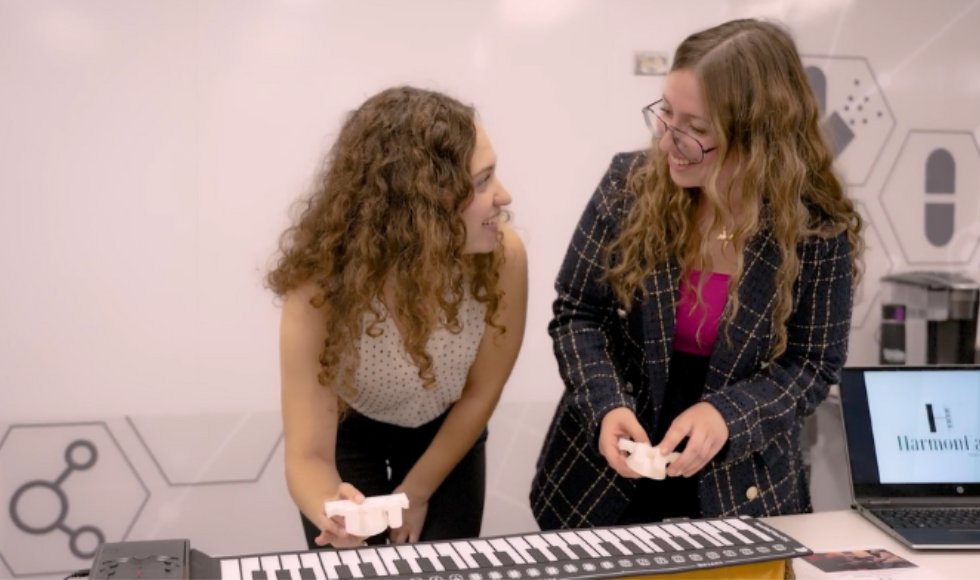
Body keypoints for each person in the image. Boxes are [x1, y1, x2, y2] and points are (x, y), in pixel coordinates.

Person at [530, 18, 864, 530]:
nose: (667, 143)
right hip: (602, 488)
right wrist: (606, 405)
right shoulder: (630, 185)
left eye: (697, 129)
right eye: (666, 113)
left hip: (741, 494)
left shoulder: (815, 229)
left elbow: (812, 364)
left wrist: (729, 415)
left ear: (758, 137)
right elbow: (578, 312)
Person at [266, 86, 527, 548]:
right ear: (422, 202)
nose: (504, 196)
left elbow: (482, 390)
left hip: (447, 429)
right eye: (483, 180)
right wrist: (333, 512)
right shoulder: (319, 287)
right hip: (352, 431)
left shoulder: (503, 256)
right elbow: (307, 457)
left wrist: (417, 491)